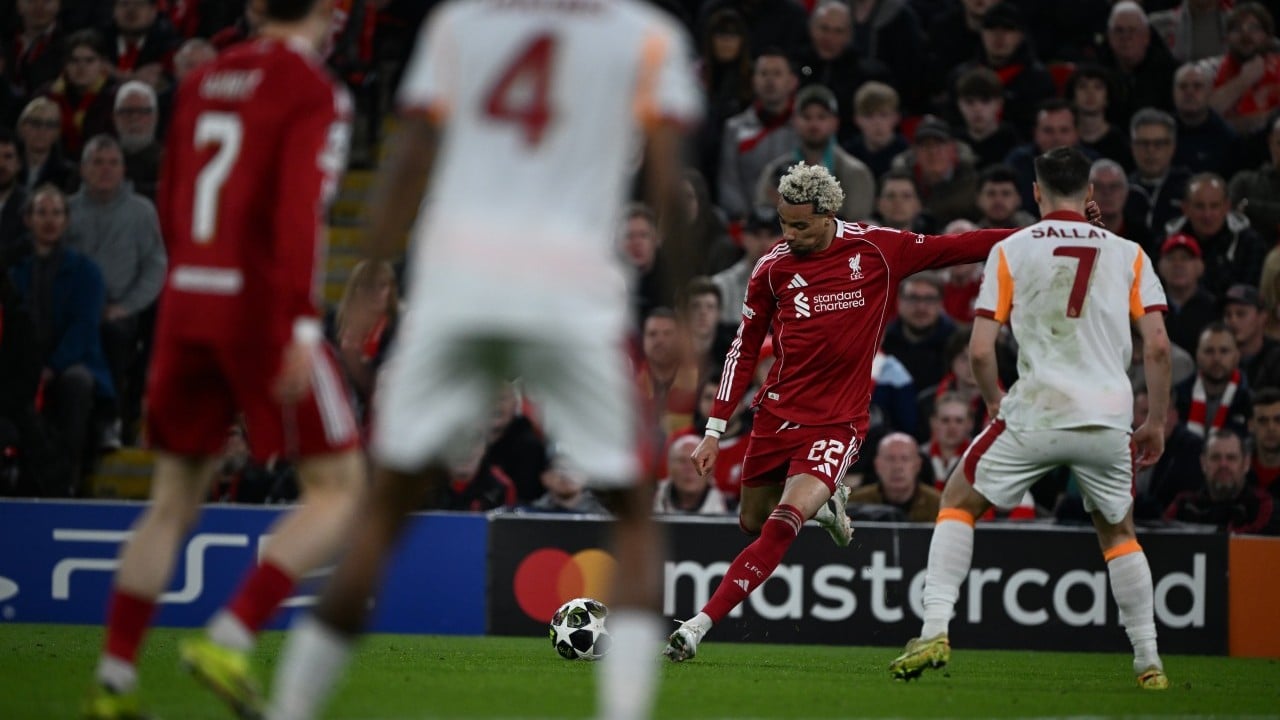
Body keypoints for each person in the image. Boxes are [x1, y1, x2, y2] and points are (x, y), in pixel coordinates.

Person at [267, 3, 702, 720]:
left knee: (386, 509)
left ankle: (290, 708)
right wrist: (682, 305)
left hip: (456, 283)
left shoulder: (458, 23)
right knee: (632, 514)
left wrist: (372, 271)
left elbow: (409, 157)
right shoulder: (648, 34)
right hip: (571, 287)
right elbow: (665, 182)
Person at [82, 3, 365, 719]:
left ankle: (114, 680)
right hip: (260, 308)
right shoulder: (312, 90)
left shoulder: (205, 78)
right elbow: (302, 209)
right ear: (328, 14)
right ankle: (231, 635)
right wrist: (303, 322)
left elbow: (175, 199)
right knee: (340, 489)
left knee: (172, 502)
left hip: (187, 300)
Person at [663, 162, 1019, 663]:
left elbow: (956, 247)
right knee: (752, 521)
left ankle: (698, 625)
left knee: (783, 522)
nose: (790, 235)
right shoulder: (772, 267)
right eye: (784, 224)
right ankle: (829, 506)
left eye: (800, 225)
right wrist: (714, 430)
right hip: (776, 414)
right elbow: (742, 348)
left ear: (828, 214)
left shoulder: (877, 249)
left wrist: (1045, 231)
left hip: (838, 421)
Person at [889, 147, 1173, 690]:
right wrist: (1154, 420)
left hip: (1037, 409)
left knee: (956, 502)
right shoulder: (1130, 255)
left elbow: (978, 350)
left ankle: (934, 628)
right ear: (1090, 195)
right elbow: (1158, 347)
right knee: (1118, 534)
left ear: (1036, 193)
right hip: (1109, 418)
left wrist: (995, 399)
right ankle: (1148, 662)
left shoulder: (1011, 249)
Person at [1166, 428, 1277, 533]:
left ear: (1246, 463)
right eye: (1215, 457)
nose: (1223, 464)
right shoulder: (1183, 505)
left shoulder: (1263, 506)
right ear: (1203, 463)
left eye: (1231, 458)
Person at [849, 432, 940, 522]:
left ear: (918, 465)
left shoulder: (939, 506)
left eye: (905, 458)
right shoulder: (854, 503)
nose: (897, 467)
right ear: (877, 465)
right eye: (890, 459)